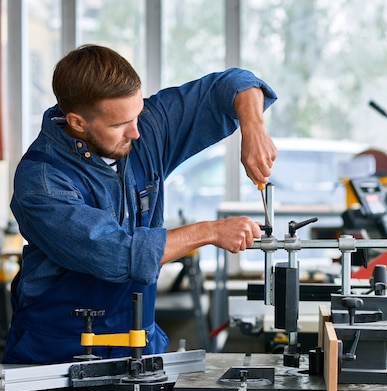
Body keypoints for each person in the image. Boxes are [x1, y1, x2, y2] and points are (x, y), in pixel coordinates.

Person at [2, 44, 277, 366]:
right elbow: (118, 255)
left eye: (137, 115)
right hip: (57, 350)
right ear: (77, 123)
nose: (136, 132)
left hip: (138, 341)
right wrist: (210, 232)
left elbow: (235, 83)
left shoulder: (144, 128)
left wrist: (254, 129)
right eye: (119, 124)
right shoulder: (42, 181)